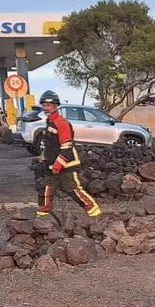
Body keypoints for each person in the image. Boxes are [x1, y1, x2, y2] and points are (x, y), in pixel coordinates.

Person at [35, 90, 102, 218]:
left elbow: (66, 147)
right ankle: (44, 214)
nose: (46, 108)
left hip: (66, 165)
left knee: (72, 189)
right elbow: (50, 145)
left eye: (48, 105)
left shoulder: (62, 123)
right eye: (44, 105)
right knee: (45, 187)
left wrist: (57, 165)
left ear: (56, 106)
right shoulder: (50, 122)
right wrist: (44, 159)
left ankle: (94, 211)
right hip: (52, 166)